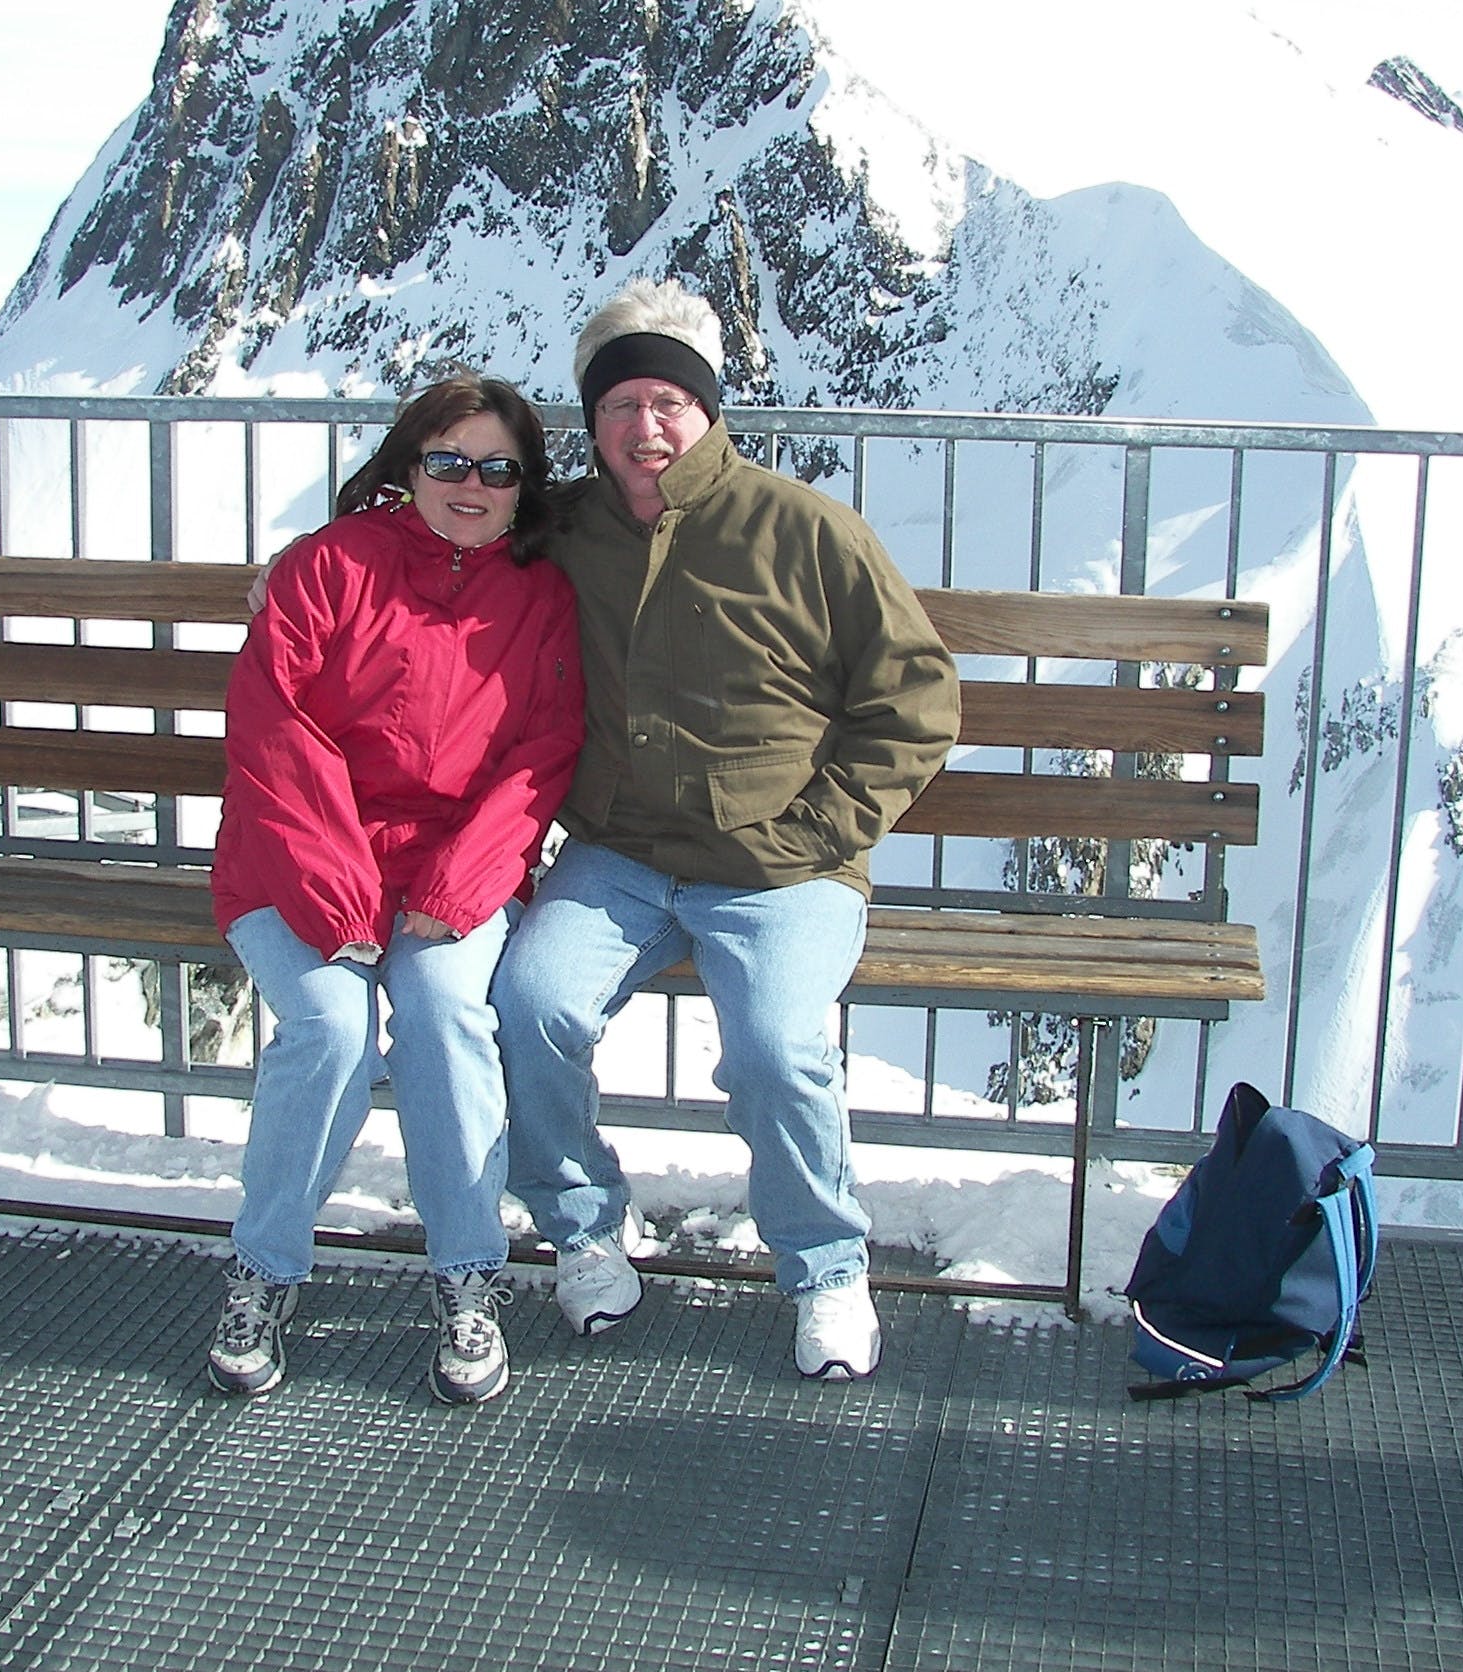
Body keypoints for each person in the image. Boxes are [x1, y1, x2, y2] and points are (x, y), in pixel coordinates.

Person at [495, 279, 961, 1380]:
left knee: (775, 1047)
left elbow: (917, 696)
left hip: (780, 866)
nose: (644, 428)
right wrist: (304, 573)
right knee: (528, 1002)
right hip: (620, 854)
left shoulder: (803, 530)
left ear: (706, 409)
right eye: (619, 405)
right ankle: (584, 1232)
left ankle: (826, 1267)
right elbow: (433, 543)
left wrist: (825, 828)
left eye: (666, 400)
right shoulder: (561, 531)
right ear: (591, 421)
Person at [207, 370, 584, 1406]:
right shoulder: (328, 569)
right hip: (293, 856)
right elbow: (274, 730)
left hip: (447, 868)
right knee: (326, 1026)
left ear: (524, 486)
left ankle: (468, 1274)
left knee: (445, 1006)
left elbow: (542, 751)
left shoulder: (541, 594)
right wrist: (334, 895)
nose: (472, 484)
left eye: (498, 468)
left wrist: (464, 881)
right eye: (449, 460)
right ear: (407, 465)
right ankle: (265, 1268)